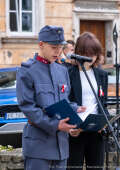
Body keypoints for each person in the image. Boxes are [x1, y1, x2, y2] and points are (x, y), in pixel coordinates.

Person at [16, 25, 86, 170]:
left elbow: (63, 101)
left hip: (61, 146)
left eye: (61, 47)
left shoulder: (62, 70)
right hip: (38, 147)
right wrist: (55, 125)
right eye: (54, 47)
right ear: (41, 44)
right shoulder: (27, 70)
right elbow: (28, 107)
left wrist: (75, 111)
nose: (58, 51)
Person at [67, 32, 108, 170]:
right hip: (75, 131)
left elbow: (103, 104)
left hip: (96, 132)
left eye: (94, 54)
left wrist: (105, 121)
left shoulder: (101, 75)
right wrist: (70, 127)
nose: (90, 58)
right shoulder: (68, 73)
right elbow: (64, 102)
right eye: (87, 53)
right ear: (78, 53)